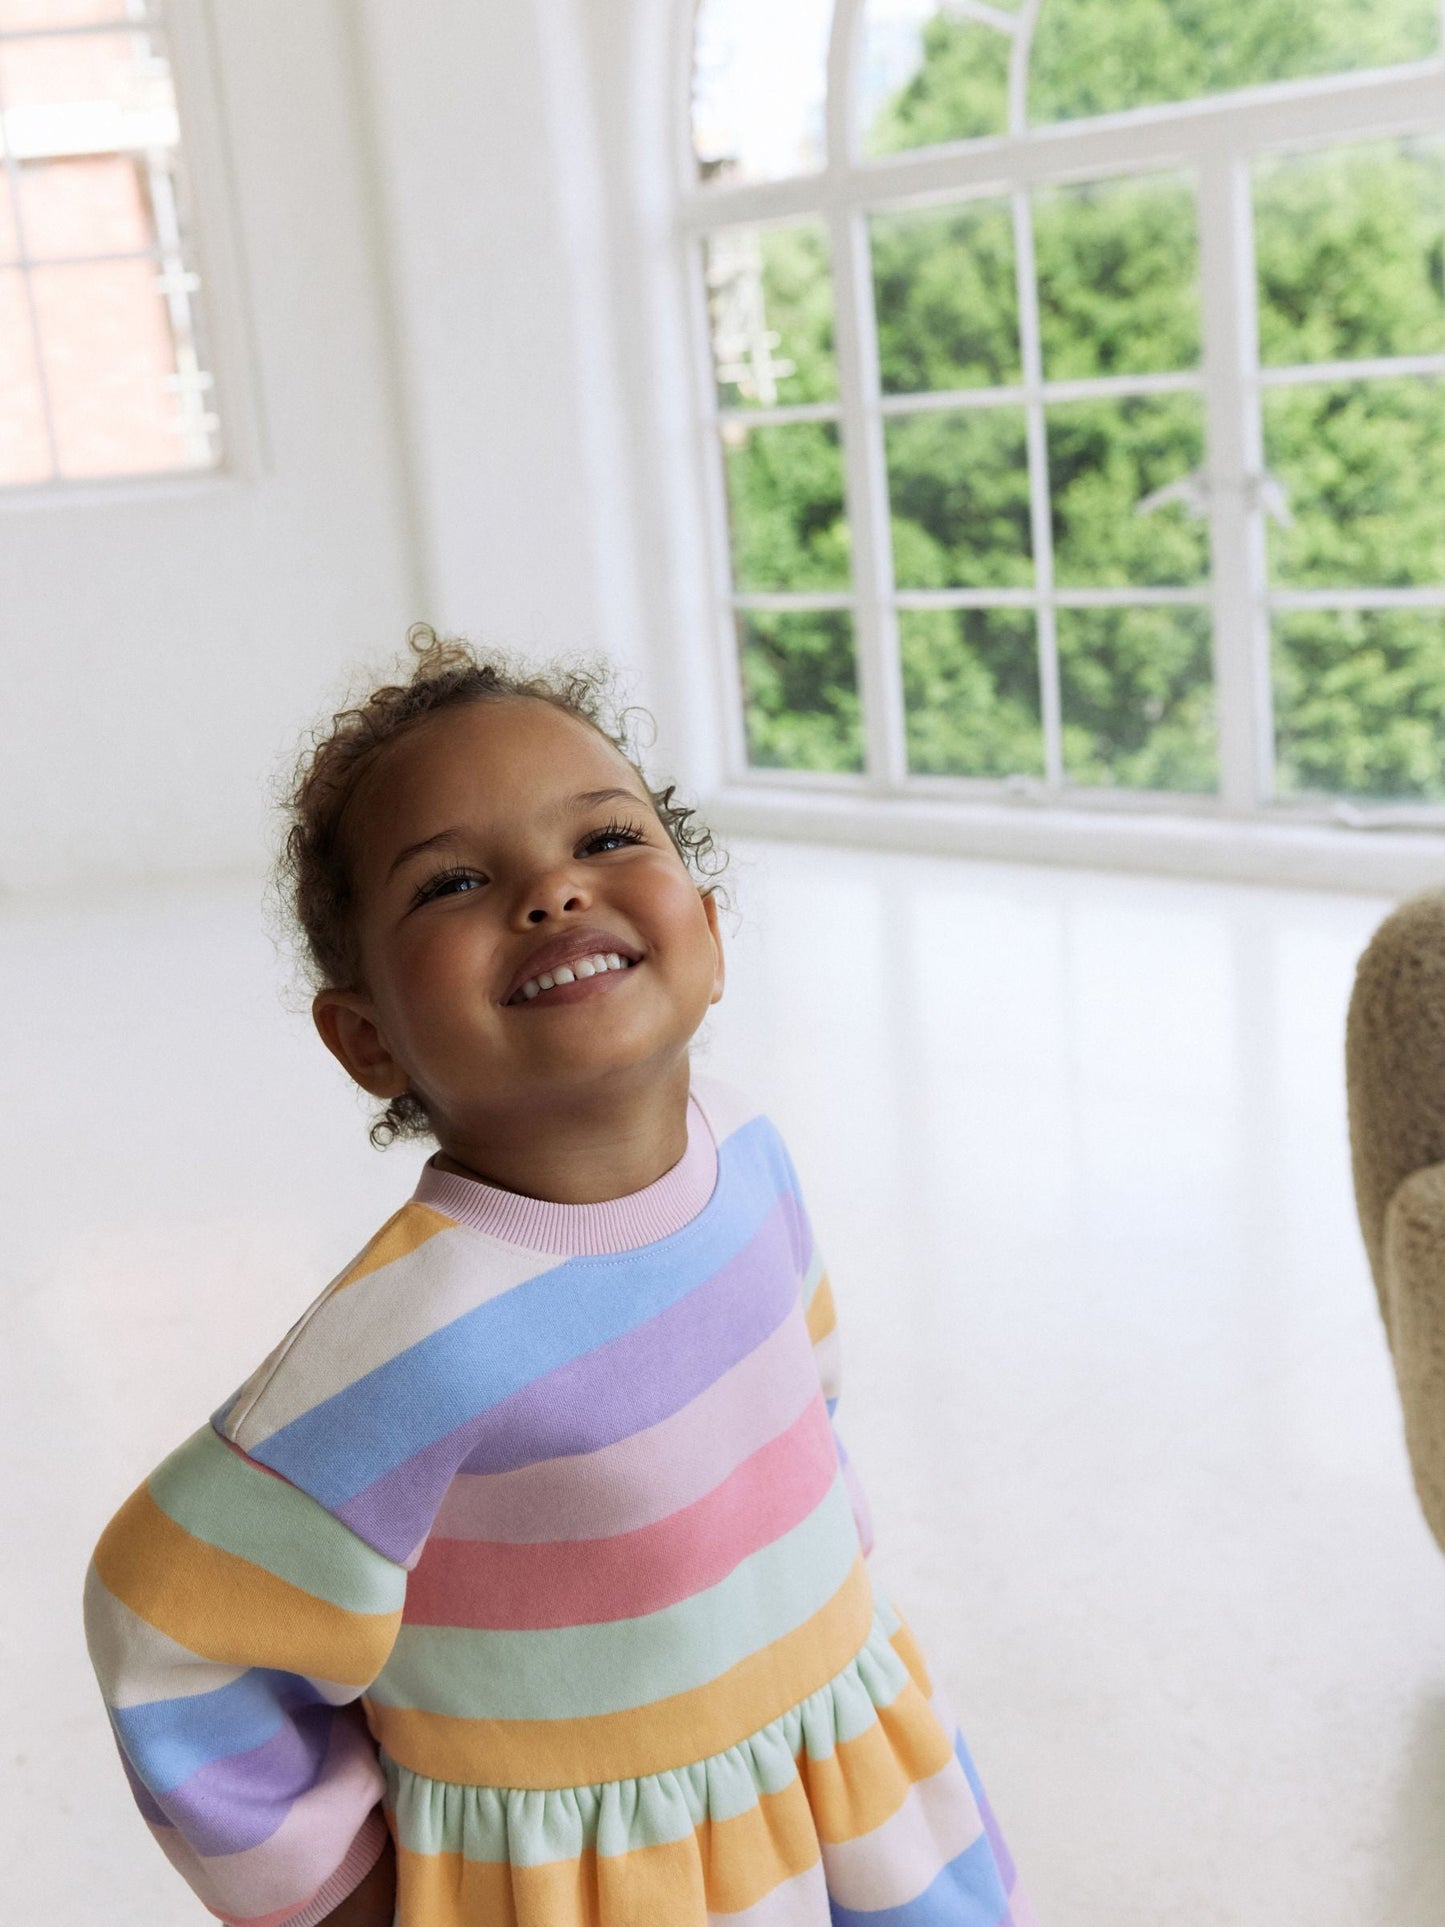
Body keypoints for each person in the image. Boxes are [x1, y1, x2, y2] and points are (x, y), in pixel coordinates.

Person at [84, 629, 1032, 1927]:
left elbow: (797, 1398)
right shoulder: (420, 1337)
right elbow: (166, 1624)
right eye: (454, 881)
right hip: (606, 1881)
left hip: (843, 1766)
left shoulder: (746, 1148)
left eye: (604, 842)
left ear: (705, 931)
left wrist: (830, 1617)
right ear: (366, 1039)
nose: (551, 894)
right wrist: (341, 1892)